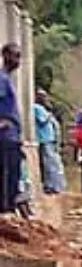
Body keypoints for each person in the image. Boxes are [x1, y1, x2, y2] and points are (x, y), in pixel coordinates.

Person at [0, 44, 23, 213]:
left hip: (12, 136)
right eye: (16, 56)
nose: (18, 60)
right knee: (7, 176)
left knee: (14, 176)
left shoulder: (7, 79)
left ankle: (9, 209)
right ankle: (5, 211)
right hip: (5, 136)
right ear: (6, 55)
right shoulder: (1, 79)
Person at [33, 90, 66, 194]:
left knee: (54, 163)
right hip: (44, 139)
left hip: (51, 139)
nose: (45, 99)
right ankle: (50, 186)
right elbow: (42, 121)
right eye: (43, 96)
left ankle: (56, 185)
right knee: (48, 164)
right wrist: (50, 115)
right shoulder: (36, 108)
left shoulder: (43, 109)